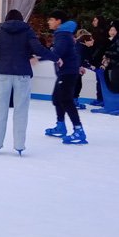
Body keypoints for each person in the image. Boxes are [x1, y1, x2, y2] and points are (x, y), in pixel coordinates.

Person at [0, 9, 58, 155]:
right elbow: (38, 48)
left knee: (0, 110)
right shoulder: (27, 30)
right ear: (21, 19)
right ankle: (19, 145)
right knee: (21, 111)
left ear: (6, 19)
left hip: (3, 72)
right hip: (22, 74)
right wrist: (55, 58)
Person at [43, 11, 86, 144]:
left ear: (58, 21)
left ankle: (79, 130)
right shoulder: (64, 34)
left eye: (51, 19)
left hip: (67, 72)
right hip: (67, 71)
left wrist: (38, 56)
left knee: (66, 100)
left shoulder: (62, 34)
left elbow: (58, 52)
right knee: (57, 98)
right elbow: (70, 52)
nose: (49, 22)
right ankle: (60, 125)